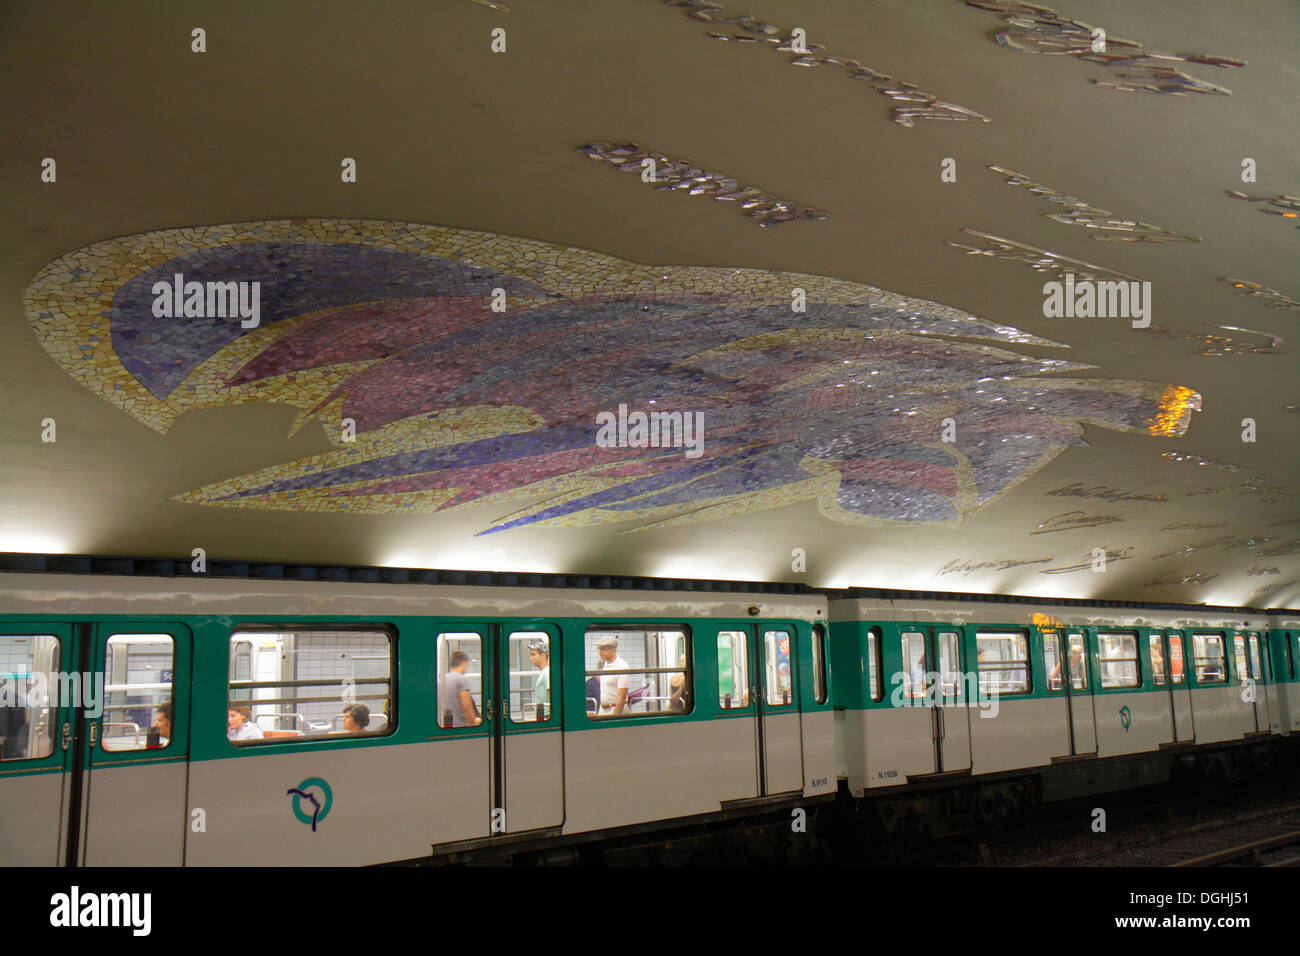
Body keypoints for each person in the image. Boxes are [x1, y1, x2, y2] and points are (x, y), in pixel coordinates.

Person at [443, 651, 481, 727]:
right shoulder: (462, 679)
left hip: (446, 725)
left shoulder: (442, 680)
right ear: (464, 663)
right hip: (460, 726)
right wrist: (474, 725)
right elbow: (466, 707)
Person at [596, 636, 631, 715]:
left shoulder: (622, 667)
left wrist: (615, 716)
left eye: (603, 649)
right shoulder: (605, 664)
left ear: (613, 650)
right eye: (599, 649)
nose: (599, 652)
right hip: (603, 709)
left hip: (616, 709)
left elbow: (621, 698)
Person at [528, 640, 550, 720]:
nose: (531, 658)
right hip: (542, 715)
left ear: (543, 655)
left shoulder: (546, 673)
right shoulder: (545, 672)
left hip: (546, 716)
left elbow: (551, 694)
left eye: (533, 655)